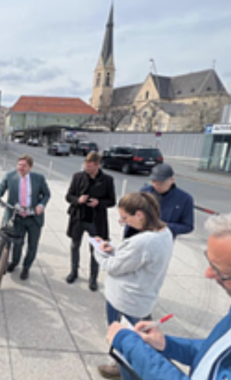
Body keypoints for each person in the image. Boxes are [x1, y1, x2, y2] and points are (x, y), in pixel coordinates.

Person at [105, 210, 231, 380]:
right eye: (209, 261)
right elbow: (218, 351)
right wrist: (167, 344)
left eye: (221, 271)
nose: (208, 274)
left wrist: (129, 344)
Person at [95, 192, 174, 378]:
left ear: (139, 214)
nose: (124, 222)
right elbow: (136, 258)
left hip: (125, 300)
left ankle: (122, 370)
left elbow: (113, 266)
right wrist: (114, 248)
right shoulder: (165, 233)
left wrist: (98, 250)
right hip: (143, 298)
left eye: (125, 217)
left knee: (124, 340)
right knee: (141, 339)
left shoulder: (143, 241)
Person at [0, 154, 51, 280]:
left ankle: (26, 267)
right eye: (19, 165)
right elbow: (1, 186)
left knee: (32, 245)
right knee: (17, 243)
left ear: (30, 167)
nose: (21, 168)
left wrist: (41, 205)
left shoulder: (38, 178)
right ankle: (15, 262)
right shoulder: (10, 176)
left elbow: (46, 194)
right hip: (17, 216)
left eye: (24, 166)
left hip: (34, 218)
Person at [65, 152, 116, 289]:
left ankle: (93, 278)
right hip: (78, 218)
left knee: (95, 250)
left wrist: (99, 202)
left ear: (98, 165)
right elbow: (68, 196)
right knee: (74, 246)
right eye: (85, 165)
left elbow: (112, 201)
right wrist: (78, 200)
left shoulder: (107, 180)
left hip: (96, 221)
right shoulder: (78, 177)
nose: (86, 168)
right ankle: (73, 271)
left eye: (90, 166)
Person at [125, 163, 194, 240]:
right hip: (139, 236)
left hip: (162, 241)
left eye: (161, 183)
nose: (156, 185)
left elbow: (188, 226)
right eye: (153, 181)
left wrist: (164, 226)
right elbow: (132, 213)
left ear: (171, 180)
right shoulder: (145, 191)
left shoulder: (185, 199)